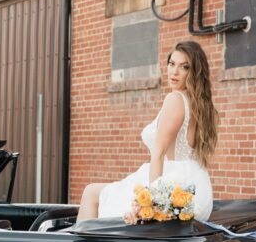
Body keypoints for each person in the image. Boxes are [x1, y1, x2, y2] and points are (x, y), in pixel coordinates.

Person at [77, 41, 218, 224]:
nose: (174, 72)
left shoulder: (175, 99)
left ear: (194, 72)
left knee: (91, 192)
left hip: (169, 183)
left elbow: (158, 154)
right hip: (196, 186)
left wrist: (151, 202)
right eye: (171, 63)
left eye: (184, 67)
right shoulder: (200, 105)